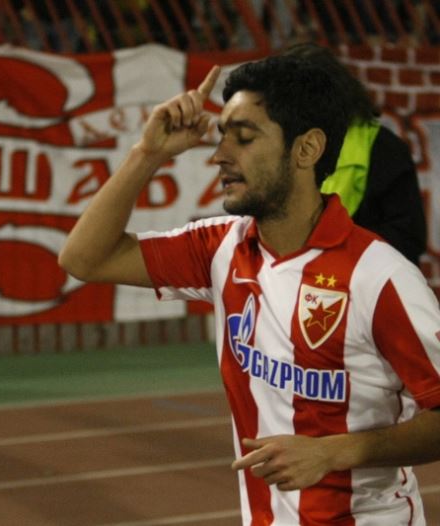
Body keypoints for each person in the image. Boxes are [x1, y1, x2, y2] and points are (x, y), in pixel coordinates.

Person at [59, 55, 440, 524]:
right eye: (222, 136)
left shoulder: (380, 276)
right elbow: (84, 259)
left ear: (306, 149)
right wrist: (148, 153)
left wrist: (335, 452)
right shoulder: (221, 248)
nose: (219, 155)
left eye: (243, 137)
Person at [283, 42, 427, 266]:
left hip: (363, 278)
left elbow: (408, 237)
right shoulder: (280, 146)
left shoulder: (383, 148)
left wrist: (338, 248)